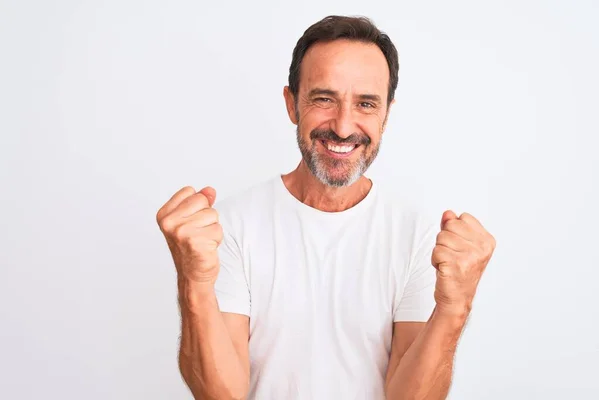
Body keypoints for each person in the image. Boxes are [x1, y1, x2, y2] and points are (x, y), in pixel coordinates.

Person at [156, 15, 496, 400]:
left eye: (366, 104)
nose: (344, 126)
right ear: (291, 104)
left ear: (386, 115)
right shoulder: (229, 227)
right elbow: (221, 395)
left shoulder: (419, 239)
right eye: (324, 99)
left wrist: (455, 306)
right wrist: (193, 283)